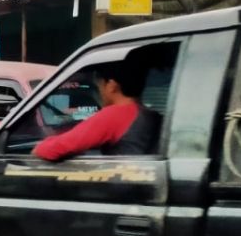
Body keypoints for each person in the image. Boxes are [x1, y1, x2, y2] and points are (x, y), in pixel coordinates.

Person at [34, 57, 162, 161]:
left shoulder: (115, 114)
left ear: (111, 86)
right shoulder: (152, 115)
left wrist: (39, 147)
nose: (100, 92)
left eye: (99, 86)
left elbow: (57, 148)